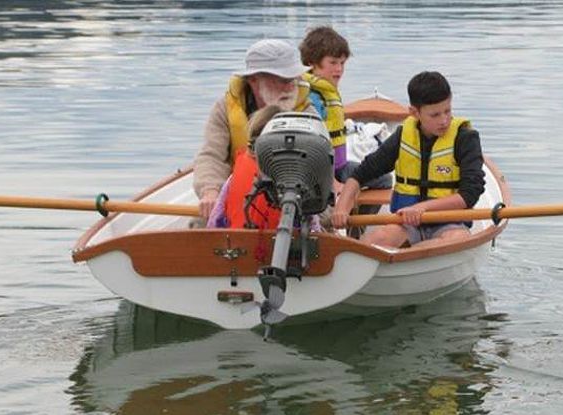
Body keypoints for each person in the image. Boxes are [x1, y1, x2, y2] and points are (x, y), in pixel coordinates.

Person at [331, 71, 485, 248]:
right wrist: (342, 207)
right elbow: (360, 175)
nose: (444, 120)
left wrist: (424, 208)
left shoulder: (465, 138)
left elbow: (470, 194)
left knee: (456, 239)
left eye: (447, 111)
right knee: (378, 239)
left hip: (450, 223)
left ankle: (409, 258)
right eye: (435, 115)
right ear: (414, 113)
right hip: (406, 223)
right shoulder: (403, 135)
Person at [193, 39, 316, 219]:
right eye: (282, 79)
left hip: (291, 200)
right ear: (253, 80)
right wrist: (210, 190)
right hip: (238, 196)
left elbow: (317, 167)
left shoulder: (308, 114)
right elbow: (211, 155)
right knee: (199, 224)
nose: (290, 86)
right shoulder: (225, 109)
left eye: (294, 79)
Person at [298, 26, 392, 196]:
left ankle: (357, 218)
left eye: (342, 63)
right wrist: (333, 183)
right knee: (385, 180)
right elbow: (310, 146)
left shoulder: (327, 90)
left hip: (339, 166)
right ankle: (356, 216)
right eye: (333, 62)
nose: (339, 69)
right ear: (312, 61)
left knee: (383, 177)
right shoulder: (312, 98)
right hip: (327, 174)